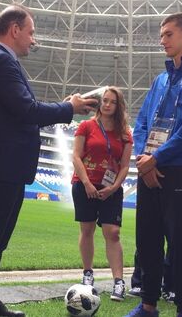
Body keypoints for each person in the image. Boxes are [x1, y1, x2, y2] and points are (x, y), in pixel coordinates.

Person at [0, 4, 97, 317]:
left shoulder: (6, 62)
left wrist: (65, 107)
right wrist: (68, 107)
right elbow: (28, 111)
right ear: (15, 29)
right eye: (31, 32)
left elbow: (24, 110)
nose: (33, 40)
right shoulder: (1, 62)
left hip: (8, 164)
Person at [125, 12, 182, 317]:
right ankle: (149, 305)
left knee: (180, 243)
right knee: (148, 241)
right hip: (149, 168)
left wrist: (157, 158)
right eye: (161, 35)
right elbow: (140, 123)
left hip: (178, 168)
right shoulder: (160, 79)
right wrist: (145, 160)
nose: (162, 40)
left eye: (168, 34)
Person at [71, 86, 133, 301]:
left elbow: (124, 166)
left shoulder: (125, 134)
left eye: (112, 102)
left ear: (118, 106)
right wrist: (87, 183)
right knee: (87, 229)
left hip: (111, 189)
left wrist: (114, 188)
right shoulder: (86, 126)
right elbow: (76, 157)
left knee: (112, 232)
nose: (107, 104)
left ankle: (118, 282)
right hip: (84, 184)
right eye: (105, 100)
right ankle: (88, 274)